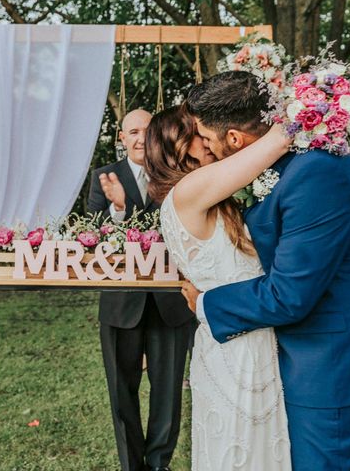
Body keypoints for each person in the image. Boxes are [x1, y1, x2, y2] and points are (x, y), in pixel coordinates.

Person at [180, 71, 350, 470]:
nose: (204, 149)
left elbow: (290, 294)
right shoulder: (292, 165)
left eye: (207, 139)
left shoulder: (316, 175)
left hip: (329, 371)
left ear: (234, 140)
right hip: (307, 361)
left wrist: (206, 304)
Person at [145, 102, 292, 470]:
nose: (208, 138)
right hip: (239, 348)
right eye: (199, 132)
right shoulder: (190, 188)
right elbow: (277, 141)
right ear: (180, 145)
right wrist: (306, 99)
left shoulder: (202, 197)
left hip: (232, 337)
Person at [87, 109, 195, 471]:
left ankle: (159, 464)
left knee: (167, 395)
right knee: (122, 395)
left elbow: (182, 226)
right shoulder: (102, 177)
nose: (138, 138)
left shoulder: (179, 173)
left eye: (146, 131)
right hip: (121, 305)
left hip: (172, 305)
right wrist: (118, 208)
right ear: (121, 137)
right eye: (131, 131)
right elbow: (93, 238)